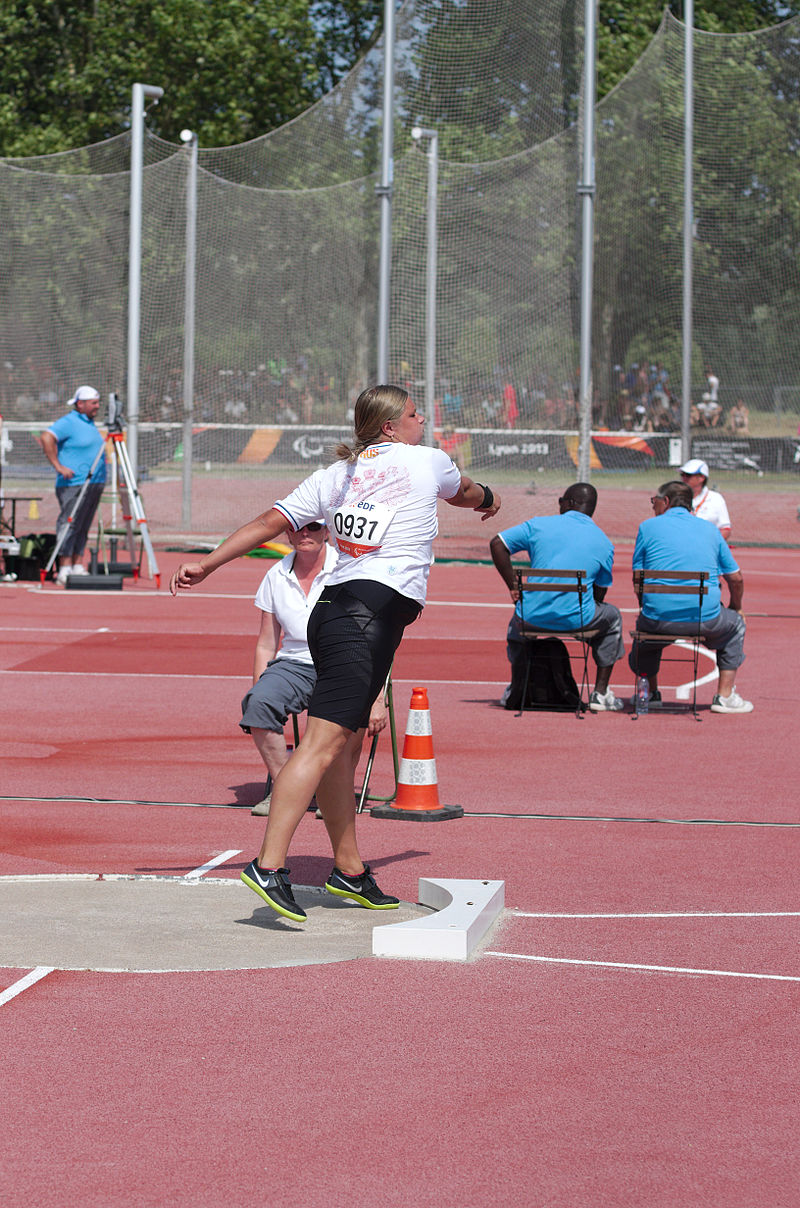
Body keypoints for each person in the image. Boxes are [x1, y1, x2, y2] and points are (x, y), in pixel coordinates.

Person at [170, 384, 501, 923]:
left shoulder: (334, 476)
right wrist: (492, 498)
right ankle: (268, 865)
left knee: (343, 746)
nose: (424, 423)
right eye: (416, 416)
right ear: (392, 426)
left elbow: (265, 524)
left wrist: (208, 564)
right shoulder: (427, 461)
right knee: (325, 742)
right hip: (361, 617)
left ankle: (348, 870)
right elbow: (465, 491)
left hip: (340, 611)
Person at [241, 520, 386, 816]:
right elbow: (266, 644)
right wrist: (259, 686)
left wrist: (378, 696)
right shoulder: (275, 575)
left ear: (327, 531)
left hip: (346, 661)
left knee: (351, 713)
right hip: (293, 663)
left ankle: (334, 792)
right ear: (287, 533)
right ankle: (289, 790)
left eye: (314, 527)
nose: (305, 534)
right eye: (297, 528)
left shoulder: (349, 569)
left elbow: (377, 640)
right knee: (258, 704)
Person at [489, 482, 625, 712]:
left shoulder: (538, 525)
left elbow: (497, 543)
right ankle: (600, 693)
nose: (559, 504)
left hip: (531, 618)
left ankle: (517, 686)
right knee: (613, 617)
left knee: (518, 619)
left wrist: (514, 586)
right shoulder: (603, 542)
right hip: (578, 620)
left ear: (570, 503)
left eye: (561, 500)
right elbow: (599, 594)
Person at [629, 481, 752, 713]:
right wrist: (736, 606)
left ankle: (648, 693)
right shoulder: (710, 530)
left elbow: (638, 579)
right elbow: (735, 578)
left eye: (654, 500)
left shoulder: (647, 527)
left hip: (658, 618)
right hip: (704, 619)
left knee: (645, 632)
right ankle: (724, 696)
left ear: (666, 502)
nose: (652, 504)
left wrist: (646, 607)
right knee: (735, 625)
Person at [40, 386, 107, 584]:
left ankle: (78, 563)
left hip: (94, 483)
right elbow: (46, 437)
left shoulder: (90, 423)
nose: (97, 406)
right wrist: (59, 466)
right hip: (74, 484)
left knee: (83, 525)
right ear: (81, 404)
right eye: (93, 403)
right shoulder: (69, 421)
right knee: (70, 523)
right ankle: (65, 566)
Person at [679, 458, 731, 541]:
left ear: (701, 478)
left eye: (688, 475)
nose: (684, 478)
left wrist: (710, 546)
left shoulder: (715, 498)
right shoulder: (675, 497)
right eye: (682, 475)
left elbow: (725, 529)